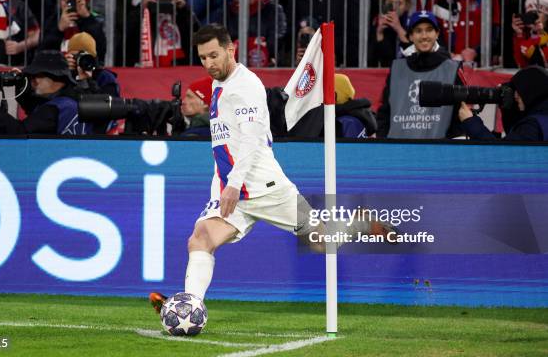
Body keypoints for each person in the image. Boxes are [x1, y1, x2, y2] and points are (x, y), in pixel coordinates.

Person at [148, 24, 394, 310]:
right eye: (203, 58)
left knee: (321, 242)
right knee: (201, 238)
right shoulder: (219, 83)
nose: (208, 63)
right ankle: (189, 308)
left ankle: (360, 223)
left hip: (265, 187)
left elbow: (252, 140)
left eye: (214, 55)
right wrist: (227, 185)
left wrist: (233, 184)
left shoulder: (246, 85)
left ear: (231, 50)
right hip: (233, 191)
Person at [377, 10, 466, 139]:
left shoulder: (452, 69)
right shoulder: (397, 69)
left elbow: (460, 113)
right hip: (399, 151)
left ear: (437, 34)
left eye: (429, 30)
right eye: (418, 31)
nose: (424, 36)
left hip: (440, 150)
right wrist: (382, 142)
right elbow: (385, 112)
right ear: (411, 36)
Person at [0, 50, 91, 135]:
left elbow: (20, 133)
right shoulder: (71, 101)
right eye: (31, 76)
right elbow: (34, 108)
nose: (33, 80)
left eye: (38, 75)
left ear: (56, 78)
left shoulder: (53, 109)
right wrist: (22, 84)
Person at [432, 0, 500, 65]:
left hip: (478, 66)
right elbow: (432, 34)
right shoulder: (436, 0)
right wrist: (445, 54)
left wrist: (475, 52)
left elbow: (495, 36)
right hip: (445, 65)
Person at [294, 0, 359, 67]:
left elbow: (354, 28)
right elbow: (293, 26)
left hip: (340, 61)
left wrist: (345, 57)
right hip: (307, 60)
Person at [215, 0, 286, 67]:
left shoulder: (272, 10)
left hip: (266, 67)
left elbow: (277, 38)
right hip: (233, 70)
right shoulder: (225, 12)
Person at [459, 66, 548, 141]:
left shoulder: (532, 127)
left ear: (531, 92)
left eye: (519, 90)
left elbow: (503, 154)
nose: (515, 96)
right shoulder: (541, 119)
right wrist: (508, 108)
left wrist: (470, 122)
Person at [41, 0, 106, 63]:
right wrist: (59, 29)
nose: (69, 4)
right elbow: (43, 53)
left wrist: (87, 18)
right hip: (58, 68)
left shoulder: (91, 20)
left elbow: (101, 49)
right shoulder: (52, 21)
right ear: (59, 2)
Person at [369, 0, 412, 68]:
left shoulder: (412, 24)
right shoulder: (376, 23)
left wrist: (398, 29)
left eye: (399, 3)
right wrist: (379, 33)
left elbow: (414, 54)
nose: (394, 7)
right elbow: (374, 60)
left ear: (407, 6)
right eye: (390, 3)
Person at [512, 0, 548, 69]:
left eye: (538, 12)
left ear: (546, 17)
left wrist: (540, 33)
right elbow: (521, 64)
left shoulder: (545, 36)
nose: (534, 16)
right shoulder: (526, 35)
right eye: (531, 13)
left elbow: (544, 60)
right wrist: (519, 34)